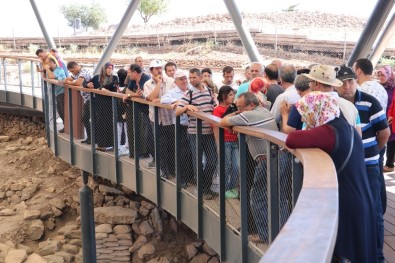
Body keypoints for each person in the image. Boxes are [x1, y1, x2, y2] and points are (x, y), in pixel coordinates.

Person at [286, 92, 377, 263]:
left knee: (346, 253)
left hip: (347, 202)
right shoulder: (346, 127)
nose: (306, 121)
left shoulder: (328, 131)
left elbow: (291, 138)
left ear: (317, 111)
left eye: (307, 115)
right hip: (360, 198)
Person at [335, 65, 389, 262]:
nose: (347, 86)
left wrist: (370, 152)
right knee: (348, 211)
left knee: (374, 211)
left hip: (368, 166)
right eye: (342, 82)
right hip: (345, 168)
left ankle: (377, 255)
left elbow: (384, 134)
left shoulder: (369, 102)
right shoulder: (333, 104)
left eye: (351, 80)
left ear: (356, 81)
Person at [219, 92, 279, 243]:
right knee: (272, 198)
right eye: (236, 107)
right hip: (276, 158)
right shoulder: (263, 111)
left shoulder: (250, 115)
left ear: (252, 105)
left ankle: (264, 235)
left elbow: (223, 122)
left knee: (257, 199)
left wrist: (234, 119)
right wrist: (237, 121)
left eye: (241, 107)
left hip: (266, 161)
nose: (239, 110)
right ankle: (274, 232)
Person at [176, 68, 218, 200]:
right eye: (190, 78)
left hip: (209, 132)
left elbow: (214, 107)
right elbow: (177, 112)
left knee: (212, 161)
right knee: (198, 162)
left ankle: (206, 186)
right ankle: (202, 189)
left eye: (194, 77)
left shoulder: (209, 91)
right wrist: (186, 107)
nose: (191, 80)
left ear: (200, 77)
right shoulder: (189, 93)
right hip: (195, 133)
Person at [161, 70, 194, 186]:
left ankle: (191, 176)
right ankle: (183, 178)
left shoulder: (192, 89)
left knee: (192, 152)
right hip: (181, 125)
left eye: (185, 78)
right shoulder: (173, 92)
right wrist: (177, 101)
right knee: (183, 152)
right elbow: (163, 99)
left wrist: (180, 103)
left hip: (193, 125)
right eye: (181, 79)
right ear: (176, 81)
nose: (184, 81)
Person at [144, 59, 175, 178]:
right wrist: (158, 84)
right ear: (151, 71)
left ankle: (172, 170)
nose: (159, 70)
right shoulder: (147, 84)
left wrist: (160, 99)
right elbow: (150, 98)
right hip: (156, 119)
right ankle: (165, 171)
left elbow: (174, 97)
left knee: (172, 145)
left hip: (171, 119)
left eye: (160, 68)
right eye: (156, 69)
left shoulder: (171, 81)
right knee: (161, 146)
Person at [212, 86, 239, 199]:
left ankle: (231, 187)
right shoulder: (218, 110)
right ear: (224, 96)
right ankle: (223, 188)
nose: (233, 97)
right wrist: (218, 142)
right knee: (226, 165)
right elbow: (215, 126)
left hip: (234, 141)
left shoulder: (234, 108)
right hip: (225, 141)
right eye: (231, 95)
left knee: (236, 166)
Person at [86, 62, 119, 151]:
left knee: (109, 123)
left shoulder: (114, 77)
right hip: (99, 103)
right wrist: (88, 85)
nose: (110, 70)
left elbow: (112, 86)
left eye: (111, 68)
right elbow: (86, 83)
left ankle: (111, 144)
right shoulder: (97, 77)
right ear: (104, 69)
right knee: (100, 123)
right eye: (108, 68)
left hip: (110, 103)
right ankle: (101, 144)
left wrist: (100, 88)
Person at [122, 64, 151, 159]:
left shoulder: (146, 78)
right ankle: (134, 152)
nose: (128, 74)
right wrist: (132, 94)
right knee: (133, 131)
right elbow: (127, 91)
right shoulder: (132, 80)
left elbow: (141, 94)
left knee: (143, 132)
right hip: (134, 109)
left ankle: (144, 153)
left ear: (135, 73)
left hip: (145, 110)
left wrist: (130, 95)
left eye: (129, 72)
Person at [64, 61, 93, 144]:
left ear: (76, 67)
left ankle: (93, 138)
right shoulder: (76, 73)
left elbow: (78, 83)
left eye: (72, 71)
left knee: (89, 119)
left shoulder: (84, 71)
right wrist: (71, 81)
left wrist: (70, 82)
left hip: (92, 98)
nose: (72, 73)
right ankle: (90, 138)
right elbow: (67, 79)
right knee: (85, 119)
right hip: (86, 99)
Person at [378, 65, 395, 172]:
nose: (380, 77)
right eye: (379, 74)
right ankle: (381, 161)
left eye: (383, 75)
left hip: (392, 117)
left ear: (389, 75)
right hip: (382, 115)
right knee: (382, 137)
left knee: (392, 140)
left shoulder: (393, 87)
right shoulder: (379, 86)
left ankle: (390, 164)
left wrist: (391, 115)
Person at [44, 57, 66, 133]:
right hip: (58, 93)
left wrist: (47, 69)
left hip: (62, 92)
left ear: (53, 63)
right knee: (60, 111)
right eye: (46, 63)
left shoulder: (59, 69)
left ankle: (67, 127)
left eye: (48, 63)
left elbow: (51, 76)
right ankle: (65, 126)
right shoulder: (52, 70)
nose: (47, 65)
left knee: (63, 111)